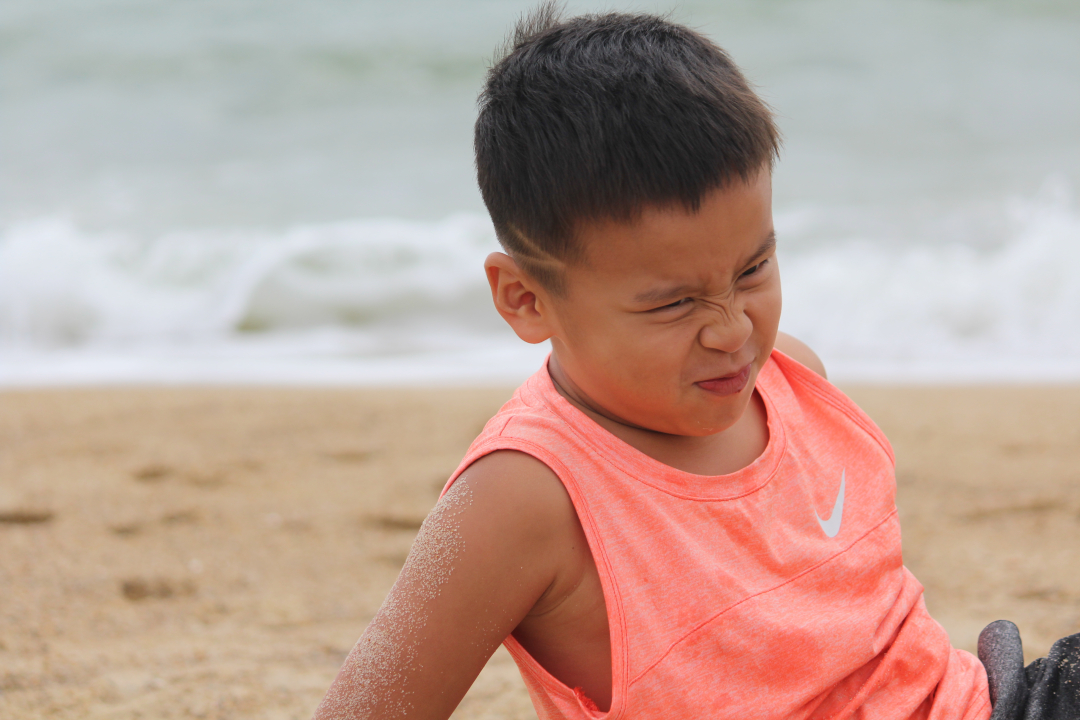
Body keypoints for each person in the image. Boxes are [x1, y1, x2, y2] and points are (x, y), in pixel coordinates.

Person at [312, 6, 1079, 719]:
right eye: (672, 304)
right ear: (525, 299)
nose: (731, 330)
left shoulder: (795, 381)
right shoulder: (525, 499)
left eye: (754, 269)